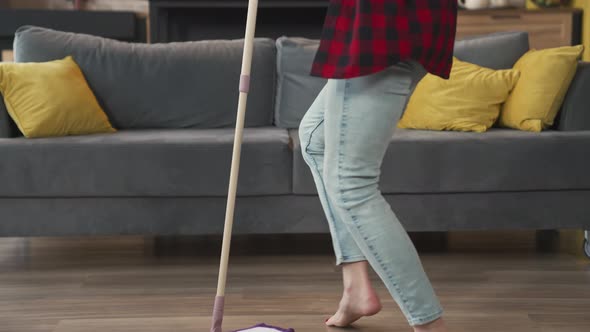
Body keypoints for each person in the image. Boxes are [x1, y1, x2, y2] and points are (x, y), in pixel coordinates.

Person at [298, 1, 458, 331]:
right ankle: (355, 288)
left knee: (350, 185)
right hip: (393, 25)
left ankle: (430, 324)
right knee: (314, 137)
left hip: (382, 26)